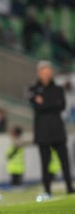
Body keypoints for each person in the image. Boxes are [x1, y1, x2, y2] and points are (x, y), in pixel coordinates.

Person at [28, 60, 74, 198]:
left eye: (49, 72)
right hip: (42, 131)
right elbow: (38, 106)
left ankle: (69, 187)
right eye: (44, 72)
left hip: (57, 130)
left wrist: (44, 103)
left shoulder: (58, 89)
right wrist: (51, 103)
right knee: (45, 163)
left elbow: (61, 106)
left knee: (65, 161)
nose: (47, 75)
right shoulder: (33, 89)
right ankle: (47, 189)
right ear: (39, 73)